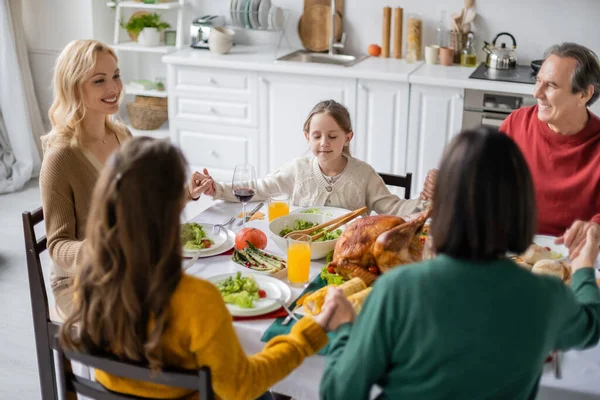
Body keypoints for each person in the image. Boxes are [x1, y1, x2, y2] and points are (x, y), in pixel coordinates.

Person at [319, 127, 600, 400]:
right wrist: (584, 264)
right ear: (521, 207)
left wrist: (345, 328)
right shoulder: (547, 295)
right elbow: (591, 326)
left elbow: (340, 392)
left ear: (443, 204)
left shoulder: (398, 289)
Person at [59, 137, 345, 400]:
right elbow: (240, 387)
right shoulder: (197, 300)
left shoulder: (88, 281)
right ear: (171, 210)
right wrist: (310, 333)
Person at [40, 40, 208, 318]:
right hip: (82, 282)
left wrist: (186, 193)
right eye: (99, 80)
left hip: (129, 267)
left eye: (116, 76)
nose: (114, 88)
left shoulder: (122, 135)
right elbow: (57, 247)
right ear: (73, 87)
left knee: (199, 296)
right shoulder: (61, 158)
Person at [423, 43, 600, 247]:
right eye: (538, 81)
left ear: (584, 94)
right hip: (510, 248)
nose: (537, 93)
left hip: (573, 255)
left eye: (551, 85)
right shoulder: (517, 122)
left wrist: (596, 229)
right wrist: (449, 182)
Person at [200, 99, 427, 216]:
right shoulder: (298, 170)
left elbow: (394, 208)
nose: (324, 143)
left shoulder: (364, 175)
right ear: (307, 137)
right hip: (301, 250)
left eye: (332, 136)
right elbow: (257, 188)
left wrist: (427, 202)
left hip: (344, 257)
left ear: (348, 137)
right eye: (317, 136)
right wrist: (218, 189)